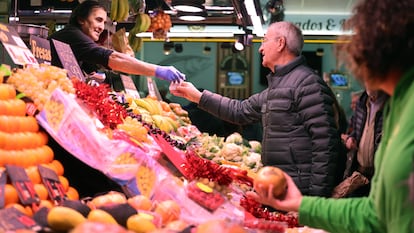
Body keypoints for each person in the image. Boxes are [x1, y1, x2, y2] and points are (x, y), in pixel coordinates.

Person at [247, 0, 414, 232]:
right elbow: (378, 214)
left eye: (362, 35)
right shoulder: (397, 103)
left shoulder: (306, 84)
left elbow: (324, 143)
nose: (355, 49)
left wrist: (314, 196)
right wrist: (303, 205)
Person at [170, 21, 345, 197]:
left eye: (264, 40)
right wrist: (196, 96)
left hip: (300, 193)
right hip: (281, 188)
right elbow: (239, 111)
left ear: (280, 43)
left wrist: (314, 201)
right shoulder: (279, 87)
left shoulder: (307, 84)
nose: (260, 48)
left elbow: (325, 144)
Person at [48, 0, 185, 83]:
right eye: (98, 20)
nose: (102, 27)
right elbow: (112, 58)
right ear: (81, 19)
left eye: (104, 22)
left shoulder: (76, 40)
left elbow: (93, 67)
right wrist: (157, 70)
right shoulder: (73, 34)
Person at [338, 89, 389, 197]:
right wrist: (350, 139)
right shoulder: (362, 103)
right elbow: (355, 131)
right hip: (359, 174)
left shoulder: (391, 105)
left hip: (379, 175)